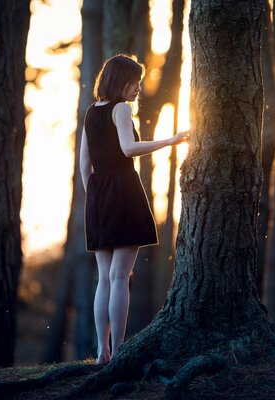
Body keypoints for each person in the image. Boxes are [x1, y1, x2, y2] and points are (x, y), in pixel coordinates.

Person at [79, 54, 189, 365]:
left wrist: (96, 198)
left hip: (98, 196)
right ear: (120, 81)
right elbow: (129, 149)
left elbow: (84, 164)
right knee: (120, 277)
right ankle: (120, 351)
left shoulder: (90, 112)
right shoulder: (121, 109)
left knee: (105, 277)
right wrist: (170, 141)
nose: (138, 87)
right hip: (124, 192)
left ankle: (102, 351)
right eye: (134, 81)